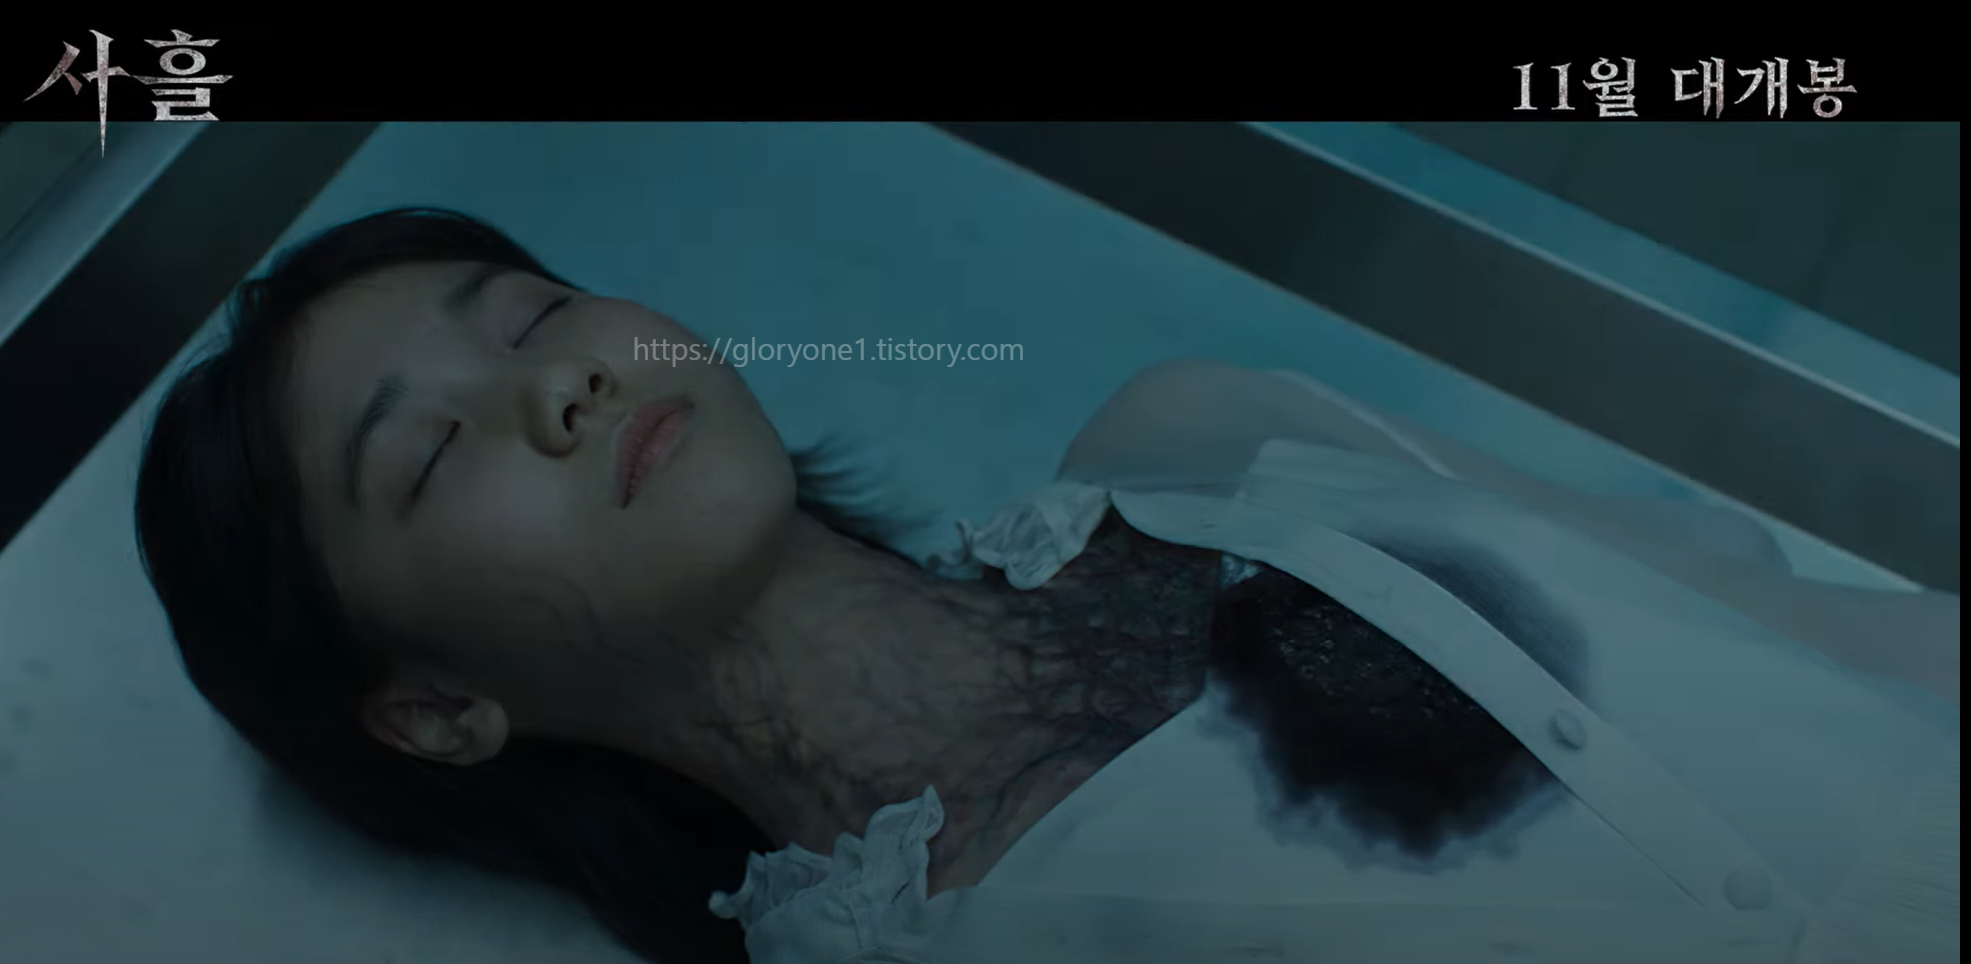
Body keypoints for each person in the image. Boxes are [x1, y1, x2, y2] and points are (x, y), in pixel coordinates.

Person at [136, 208, 1959, 964]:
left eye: (535, 314)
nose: (564, 384)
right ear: (433, 708)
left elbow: (1809, 623)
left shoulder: (1196, 438)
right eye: (428, 452)